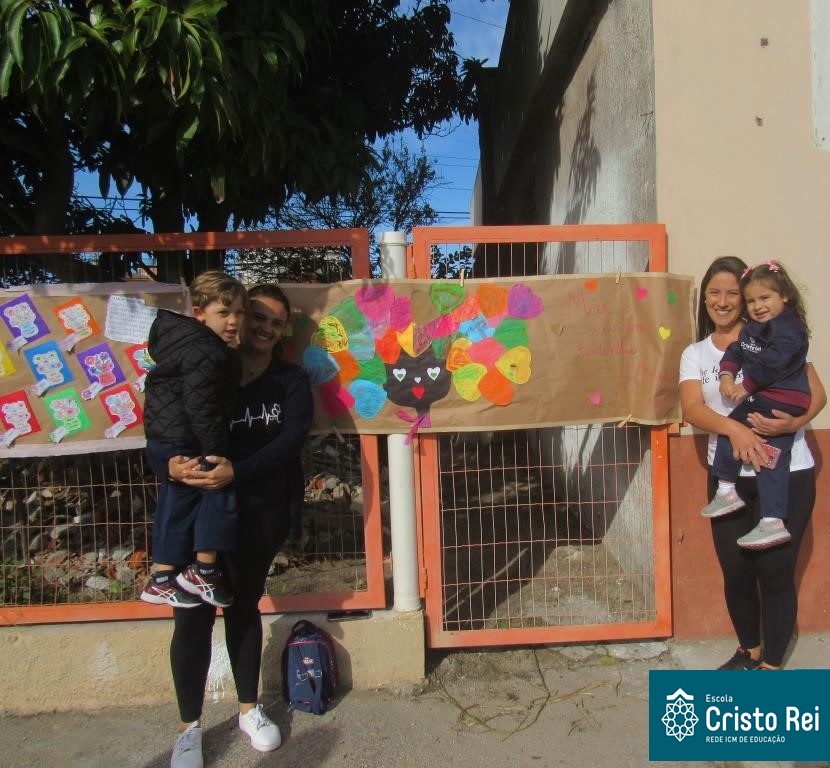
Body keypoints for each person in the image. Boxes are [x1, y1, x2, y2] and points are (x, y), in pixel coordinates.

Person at [163, 283, 314, 767]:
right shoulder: (206, 368)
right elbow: (163, 425)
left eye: (276, 323)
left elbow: (291, 440)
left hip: (260, 513)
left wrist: (238, 471)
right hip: (198, 512)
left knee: (242, 605)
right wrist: (166, 463)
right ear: (240, 318)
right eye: (258, 317)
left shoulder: (289, 380)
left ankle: (249, 710)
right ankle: (189, 729)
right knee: (191, 614)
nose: (266, 328)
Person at [679, 256, 825, 671]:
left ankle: (771, 667)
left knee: (776, 572)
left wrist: (793, 422)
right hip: (729, 478)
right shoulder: (696, 353)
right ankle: (750, 651)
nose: (723, 301)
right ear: (705, 299)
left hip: (787, 473)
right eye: (714, 293)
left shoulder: (775, 333)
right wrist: (737, 431)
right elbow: (693, 409)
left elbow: (816, 394)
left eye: (732, 294)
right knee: (737, 571)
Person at [141, 271, 247, 610]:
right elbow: (203, 406)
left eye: (239, 313)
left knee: (178, 500)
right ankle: (204, 570)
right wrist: (215, 451)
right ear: (199, 313)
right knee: (218, 489)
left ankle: (161, 577)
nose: (233, 321)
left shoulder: (181, 343)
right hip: (188, 435)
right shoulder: (207, 351)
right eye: (224, 313)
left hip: (165, 437)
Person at [700, 261, 811, 550]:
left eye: (765, 298)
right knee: (771, 455)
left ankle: (726, 489)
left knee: (733, 426)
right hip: (775, 399)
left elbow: (774, 363)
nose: (757, 306)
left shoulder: (789, 329)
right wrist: (726, 374)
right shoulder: (754, 330)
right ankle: (772, 521)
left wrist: (745, 386)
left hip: (781, 396)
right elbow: (736, 350)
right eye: (751, 301)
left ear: (784, 296)